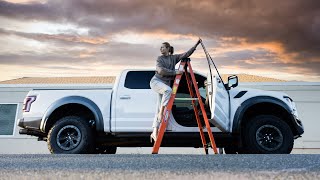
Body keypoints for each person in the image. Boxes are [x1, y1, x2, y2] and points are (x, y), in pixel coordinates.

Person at [149, 38, 202, 142]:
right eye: (160, 47)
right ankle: (162, 112)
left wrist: (196, 45)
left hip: (164, 86)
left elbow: (186, 54)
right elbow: (161, 70)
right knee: (168, 91)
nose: (160, 49)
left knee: (158, 108)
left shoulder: (174, 58)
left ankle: (154, 132)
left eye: (163, 47)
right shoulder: (159, 58)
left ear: (168, 48)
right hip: (156, 82)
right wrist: (175, 73)